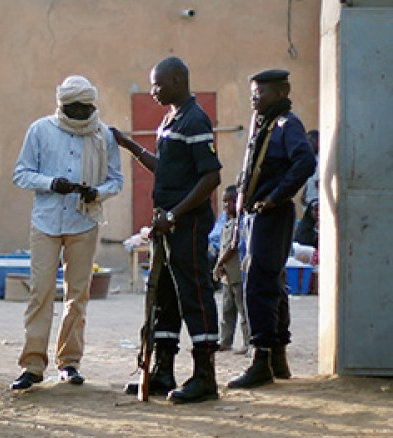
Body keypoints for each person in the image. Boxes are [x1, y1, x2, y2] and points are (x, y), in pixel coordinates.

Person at [112, 56, 222, 404]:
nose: (153, 91)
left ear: (177, 80)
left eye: (158, 84)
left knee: (194, 293)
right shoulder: (171, 118)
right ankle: (162, 370)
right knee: (165, 296)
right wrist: (130, 146)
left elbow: (211, 177)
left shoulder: (195, 119)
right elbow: (168, 170)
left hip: (187, 224)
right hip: (168, 223)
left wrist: (174, 215)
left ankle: (205, 377)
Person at [10, 75, 123, 390]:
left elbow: (116, 180)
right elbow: (21, 173)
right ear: (62, 105)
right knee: (41, 292)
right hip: (46, 222)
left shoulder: (103, 136)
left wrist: (96, 193)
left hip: (83, 221)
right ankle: (32, 365)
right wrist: (51, 183)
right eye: (73, 108)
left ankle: (69, 362)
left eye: (85, 109)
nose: (79, 115)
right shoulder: (41, 130)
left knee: (78, 295)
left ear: (92, 106)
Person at [226, 69, 316, 389]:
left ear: (282, 91)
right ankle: (277, 358)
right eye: (253, 92)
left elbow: (305, 161)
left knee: (259, 285)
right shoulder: (264, 124)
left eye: (260, 92)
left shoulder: (286, 125)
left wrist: (276, 197)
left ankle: (261, 359)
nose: (254, 98)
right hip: (257, 217)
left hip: (271, 216)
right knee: (273, 283)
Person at [213, 185, 250, 354]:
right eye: (225, 202)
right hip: (228, 275)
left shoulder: (241, 223)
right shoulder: (226, 223)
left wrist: (219, 263)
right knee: (227, 309)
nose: (228, 205)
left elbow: (234, 246)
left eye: (232, 201)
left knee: (243, 310)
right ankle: (225, 340)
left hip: (239, 274)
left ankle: (248, 342)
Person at [300, 130, 319, 208]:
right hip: (309, 202)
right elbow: (310, 178)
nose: (308, 144)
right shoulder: (310, 158)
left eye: (311, 141)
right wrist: (304, 192)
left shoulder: (323, 159)